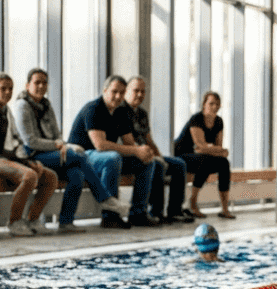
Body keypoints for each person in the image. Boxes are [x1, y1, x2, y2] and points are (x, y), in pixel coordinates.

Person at [10, 68, 130, 233]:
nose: (41, 86)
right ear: (27, 85)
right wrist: (59, 146)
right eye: (37, 82)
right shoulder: (22, 106)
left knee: (77, 174)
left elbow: (57, 135)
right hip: (32, 155)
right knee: (78, 155)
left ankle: (66, 222)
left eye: (44, 82)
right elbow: (30, 141)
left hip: (50, 154)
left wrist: (62, 145)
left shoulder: (46, 104)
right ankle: (105, 198)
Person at [67, 75, 160, 229]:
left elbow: (129, 142)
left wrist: (143, 151)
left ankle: (138, 213)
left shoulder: (120, 112)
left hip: (101, 157)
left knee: (146, 162)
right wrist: (135, 150)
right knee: (112, 158)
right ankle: (110, 216)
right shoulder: (94, 108)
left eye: (121, 93)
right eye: (114, 92)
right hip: (82, 156)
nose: (118, 96)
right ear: (105, 90)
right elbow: (100, 145)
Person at [0, 72, 58, 236]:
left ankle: (33, 220)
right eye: (3, 88)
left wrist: (27, 161)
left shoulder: (6, 110)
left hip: (5, 158)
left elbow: (15, 142)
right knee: (29, 176)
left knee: (50, 177)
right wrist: (23, 165)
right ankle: (14, 221)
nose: (7, 92)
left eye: (10, 89)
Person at [124, 76, 193, 224]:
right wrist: (154, 158)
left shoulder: (142, 113)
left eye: (143, 92)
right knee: (157, 164)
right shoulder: (121, 111)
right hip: (131, 155)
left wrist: (159, 155)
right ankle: (156, 212)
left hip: (147, 153)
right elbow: (128, 142)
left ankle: (175, 210)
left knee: (178, 164)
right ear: (126, 91)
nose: (140, 95)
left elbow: (149, 140)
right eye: (136, 91)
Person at [175, 91, 235, 219]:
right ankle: (192, 202)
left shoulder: (219, 121)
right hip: (182, 155)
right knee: (205, 160)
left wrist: (216, 150)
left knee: (224, 163)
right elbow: (200, 147)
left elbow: (217, 149)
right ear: (204, 104)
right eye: (211, 103)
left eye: (217, 104)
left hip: (202, 157)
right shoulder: (196, 119)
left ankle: (225, 209)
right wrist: (216, 150)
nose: (214, 107)